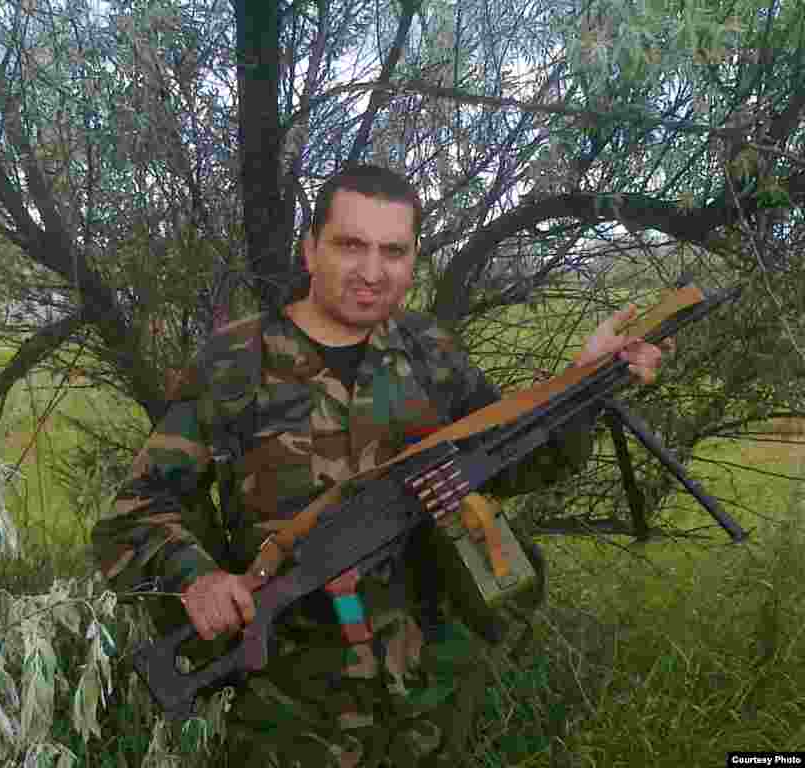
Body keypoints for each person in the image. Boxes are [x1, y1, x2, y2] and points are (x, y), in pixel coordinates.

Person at [91, 164, 667, 766]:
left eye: (393, 251)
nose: (371, 272)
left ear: (414, 258)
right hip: (291, 717)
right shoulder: (237, 362)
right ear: (311, 249)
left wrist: (588, 381)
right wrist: (199, 579)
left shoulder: (430, 353)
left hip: (429, 707)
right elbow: (135, 510)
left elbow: (512, 462)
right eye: (350, 245)